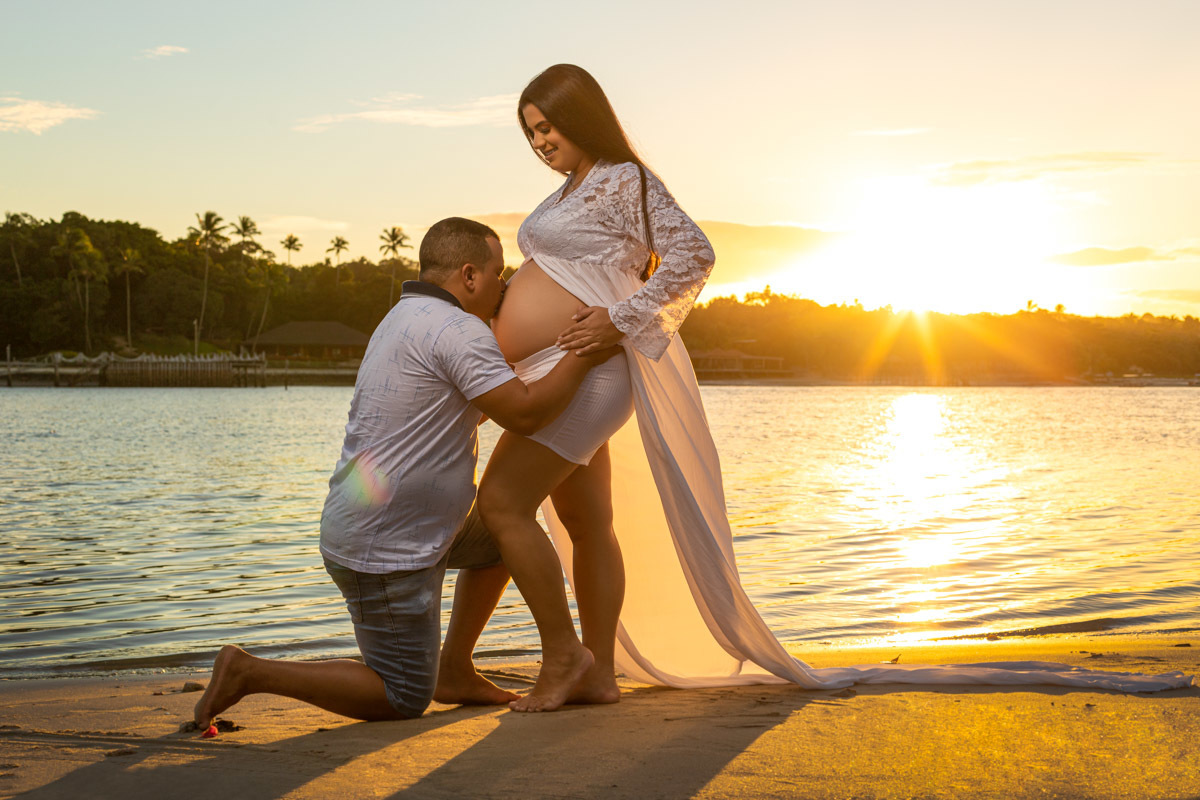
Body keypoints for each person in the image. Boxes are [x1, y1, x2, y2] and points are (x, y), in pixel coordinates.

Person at [477, 63, 1191, 714]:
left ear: (584, 116)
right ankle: (597, 671)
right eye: (531, 131)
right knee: (585, 521)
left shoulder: (628, 179)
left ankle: (565, 662)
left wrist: (622, 318)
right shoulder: (568, 191)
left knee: (507, 501)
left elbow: (695, 253)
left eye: (550, 125)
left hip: (591, 368)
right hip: (552, 367)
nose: (541, 141)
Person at [194, 217, 618, 729]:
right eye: (497, 274)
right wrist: (582, 350)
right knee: (402, 695)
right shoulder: (457, 330)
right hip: (386, 548)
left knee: (506, 531)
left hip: (402, 523)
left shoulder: (403, 317)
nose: (504, 289)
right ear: (468, 276)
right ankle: (250, 672)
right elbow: (525, 413)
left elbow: (465, 407)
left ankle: (455, 668)